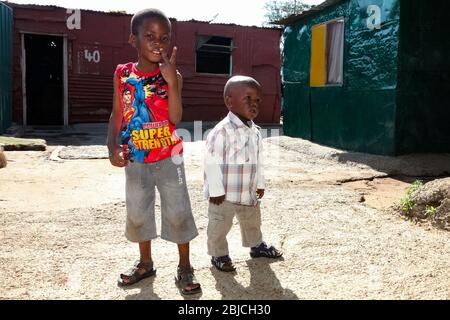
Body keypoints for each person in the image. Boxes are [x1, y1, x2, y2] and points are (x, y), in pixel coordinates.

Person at [107, 8, 201, 295]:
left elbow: (174, 118)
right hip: (136, 158)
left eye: (164, 36)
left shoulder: (174, 76)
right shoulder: (122, 74)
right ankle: (145, 262)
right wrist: (111, 145)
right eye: (149, 36)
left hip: (168, 158)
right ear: (133, 40)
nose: (157, 42)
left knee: (178, 212)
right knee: (138, 212)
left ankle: (185, 266)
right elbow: (117, 114)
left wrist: (171, 81)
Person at [204, 75, 283, 272]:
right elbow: (211, 162)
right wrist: (215, 191)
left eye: (258, 100)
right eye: (248, 98)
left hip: (247, 191)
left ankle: (256, 246)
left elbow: (258, 160)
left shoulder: (254, 130)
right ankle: (218, 254)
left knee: (252, 221)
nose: (254, 104)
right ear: (229, 101)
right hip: (224, 195)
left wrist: (260, 183)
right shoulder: (221, 131)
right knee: (219, 225)